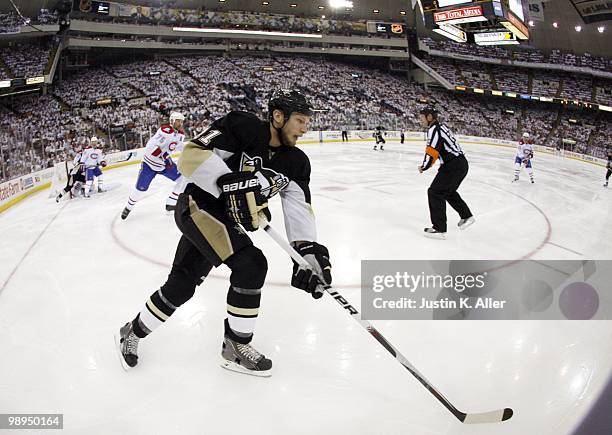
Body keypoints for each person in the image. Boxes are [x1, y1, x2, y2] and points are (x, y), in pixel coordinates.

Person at [115, 90, 332, 377]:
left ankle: (132, 330)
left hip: (224, 221)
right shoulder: (242, 127)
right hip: (197, 205)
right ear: (278, 117)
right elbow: (190, 155)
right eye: (301, 120)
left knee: (181, 285)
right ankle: (236, 345)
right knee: (251, 264)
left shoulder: (296, 162)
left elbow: (299, 208)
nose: (306, 128)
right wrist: (228, 181)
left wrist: (309, 254)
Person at [417, 106, 474, 240]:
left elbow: (432, 151)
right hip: (460, 163)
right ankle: (466, 216)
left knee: (434, 192)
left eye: (422, 117)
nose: (421, 120)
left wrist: (424, 166)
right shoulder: (442, 127)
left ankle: (439, 229)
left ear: (429, 117)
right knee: (447, 192)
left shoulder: (434, 129)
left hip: (453, 165)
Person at [121, 112, 187, 220]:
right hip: (149, 164)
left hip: (164, 164)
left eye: (181, 121)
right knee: (140, 189)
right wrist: (164, 158)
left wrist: (193, 148)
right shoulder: (165, 131)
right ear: (172, 121)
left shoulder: (180, 135)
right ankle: (128, 207)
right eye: (178, 121)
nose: (180, 123)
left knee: (182, 179)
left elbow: (179, 147)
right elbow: (151, 147)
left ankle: (170, 203)